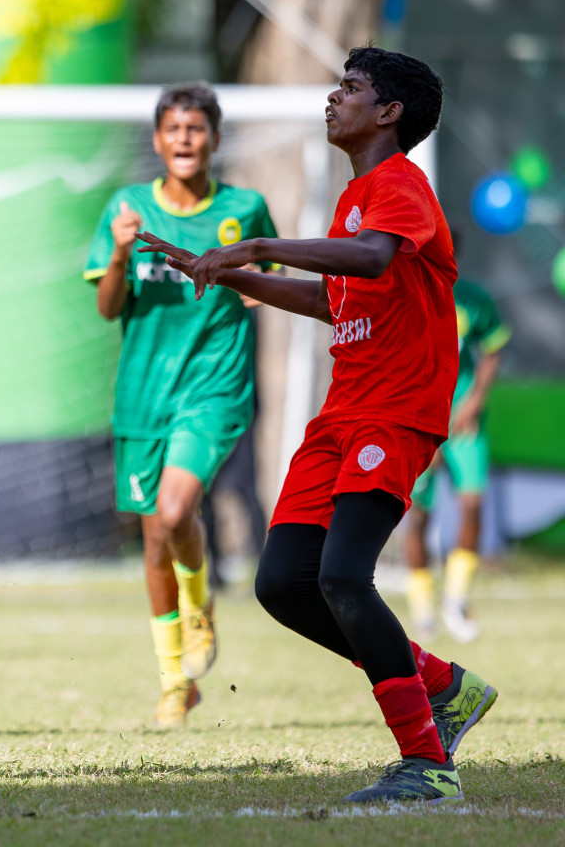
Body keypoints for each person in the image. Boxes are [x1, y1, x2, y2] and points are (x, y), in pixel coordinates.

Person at [137, 47, 497, 804]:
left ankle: (427, 766)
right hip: (341, 415)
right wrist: (222, 270)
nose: (334, 99)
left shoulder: (400, 185)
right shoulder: (357, 196)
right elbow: (339, 300)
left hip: (395, 411)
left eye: (352, 88)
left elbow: (369, 262)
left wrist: (260, 245)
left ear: (389, 112)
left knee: (342, 577)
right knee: (284, 585)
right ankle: (440, 684)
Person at [85, 83, 279, 727]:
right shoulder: (129, 208)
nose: (185, 138)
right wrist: (117, 251)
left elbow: (266, 294)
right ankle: (175, 682)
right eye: (174, 128)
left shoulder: (245, 208)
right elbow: (108, 306)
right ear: (158, 140)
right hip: (143, 393)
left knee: (175, 510)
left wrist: (239, 277)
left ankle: (201, 609)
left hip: (213, 387)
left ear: (216, 140)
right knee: (153, 540)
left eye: (197, 128)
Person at [405, 263, 509, 642]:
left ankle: (457, 600)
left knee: (472, 505)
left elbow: (494, 346)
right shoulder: (406, 296)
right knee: (416, 516)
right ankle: (422, 612)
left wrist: (475, 400)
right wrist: (422, 426)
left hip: (464, 420)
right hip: (420, 421)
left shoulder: (473, 299)